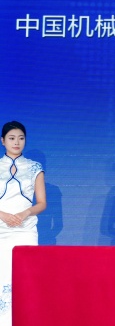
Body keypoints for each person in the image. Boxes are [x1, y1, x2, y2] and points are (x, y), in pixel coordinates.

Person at [0, 121, 47, 325]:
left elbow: (42, 203)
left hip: (25, 230)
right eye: (11, 138)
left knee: (26, 277)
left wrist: (26, 212)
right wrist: (2, 215)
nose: (16, 142)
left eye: (21, 138)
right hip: (1, 230)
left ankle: (25, 319)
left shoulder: (34, 167)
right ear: (3, 141)